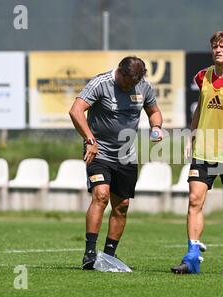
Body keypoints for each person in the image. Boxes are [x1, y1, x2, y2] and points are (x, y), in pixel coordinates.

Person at [171, 31, 223, 275]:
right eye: (215, 47)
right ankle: (192, 257)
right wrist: (191, 135)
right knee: (195, 200)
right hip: (205, 151)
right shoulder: (203, 76)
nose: (218, 50)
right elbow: (200, 107)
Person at [69, 56, 163, 270]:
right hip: (98, 151)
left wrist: (156, 127)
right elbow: (75, 111)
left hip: (126, 155)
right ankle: (90, 253)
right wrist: (90, 140)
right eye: (128, 82)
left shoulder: (143, 86)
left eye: (134, 83)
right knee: (101, 195)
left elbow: (154, 111)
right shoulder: (100, 83)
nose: (131, 86)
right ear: (120, 72)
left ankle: (109, 255)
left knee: (122, 206)